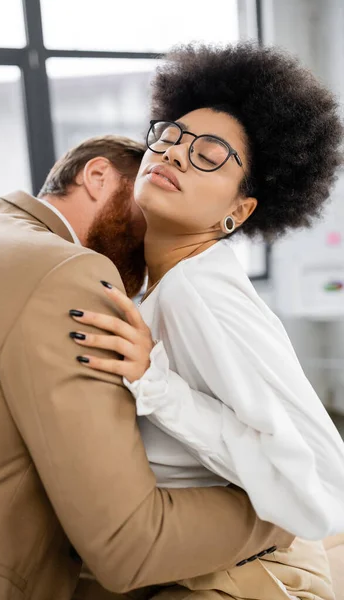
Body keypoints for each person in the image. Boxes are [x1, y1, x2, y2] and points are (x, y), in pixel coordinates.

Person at [0, 135, 292, 600]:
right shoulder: (68, 272)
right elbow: (131, 544)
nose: (157, 243)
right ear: (97, 175)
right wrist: (290, 510)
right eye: (148, 210)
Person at [68, 45, 344, 600]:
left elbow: (323, 478)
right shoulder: (168, 281)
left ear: (238, 212)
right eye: (170, 137)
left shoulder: (198, 290)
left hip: (250, 577)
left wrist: (156, 384)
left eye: (211, 154)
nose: (175, 155)